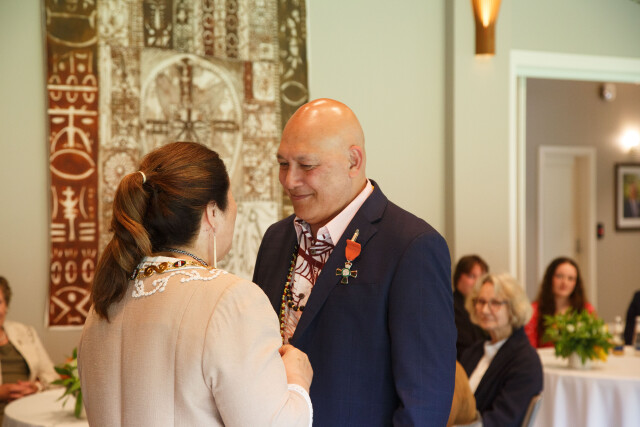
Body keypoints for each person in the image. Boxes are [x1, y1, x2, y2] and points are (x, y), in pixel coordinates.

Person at [78, 142, 313, 426]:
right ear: (212, 212)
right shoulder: (231, 300)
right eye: (232, 198)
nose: (235, 209)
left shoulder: (105, 301)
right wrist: (297, 380)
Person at [252, 98, 456, 425]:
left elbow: (425, 404)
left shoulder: (411, 247)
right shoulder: (276, 239)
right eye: (283, 164)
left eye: (306, 165)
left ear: (353, 161)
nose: (290, 181)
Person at [459, 273, 543, 427]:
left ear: (513, 308)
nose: (485, 310)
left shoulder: (525, 361)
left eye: (495, 303)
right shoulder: (473, 352)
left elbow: (502, 421)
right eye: (481, 302)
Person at [0, 277, 58, 423]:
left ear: (6, 306)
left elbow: (53, 378)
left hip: (30, 413)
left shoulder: (26, 332)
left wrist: (36, 387)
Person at [525, 257, 595, 348]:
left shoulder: (586, 309)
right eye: (559, 276)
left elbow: (594, 345)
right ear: (550, 278)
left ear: (576, 283)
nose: (565, 283)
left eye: (570, 278)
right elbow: (529, 348)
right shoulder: (534, 311)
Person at [453, 255, 489, 359]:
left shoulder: (484, 307)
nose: (477, 283)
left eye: (481, 278)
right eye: (472, 276)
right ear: (458, 277)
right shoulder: (451, 308)